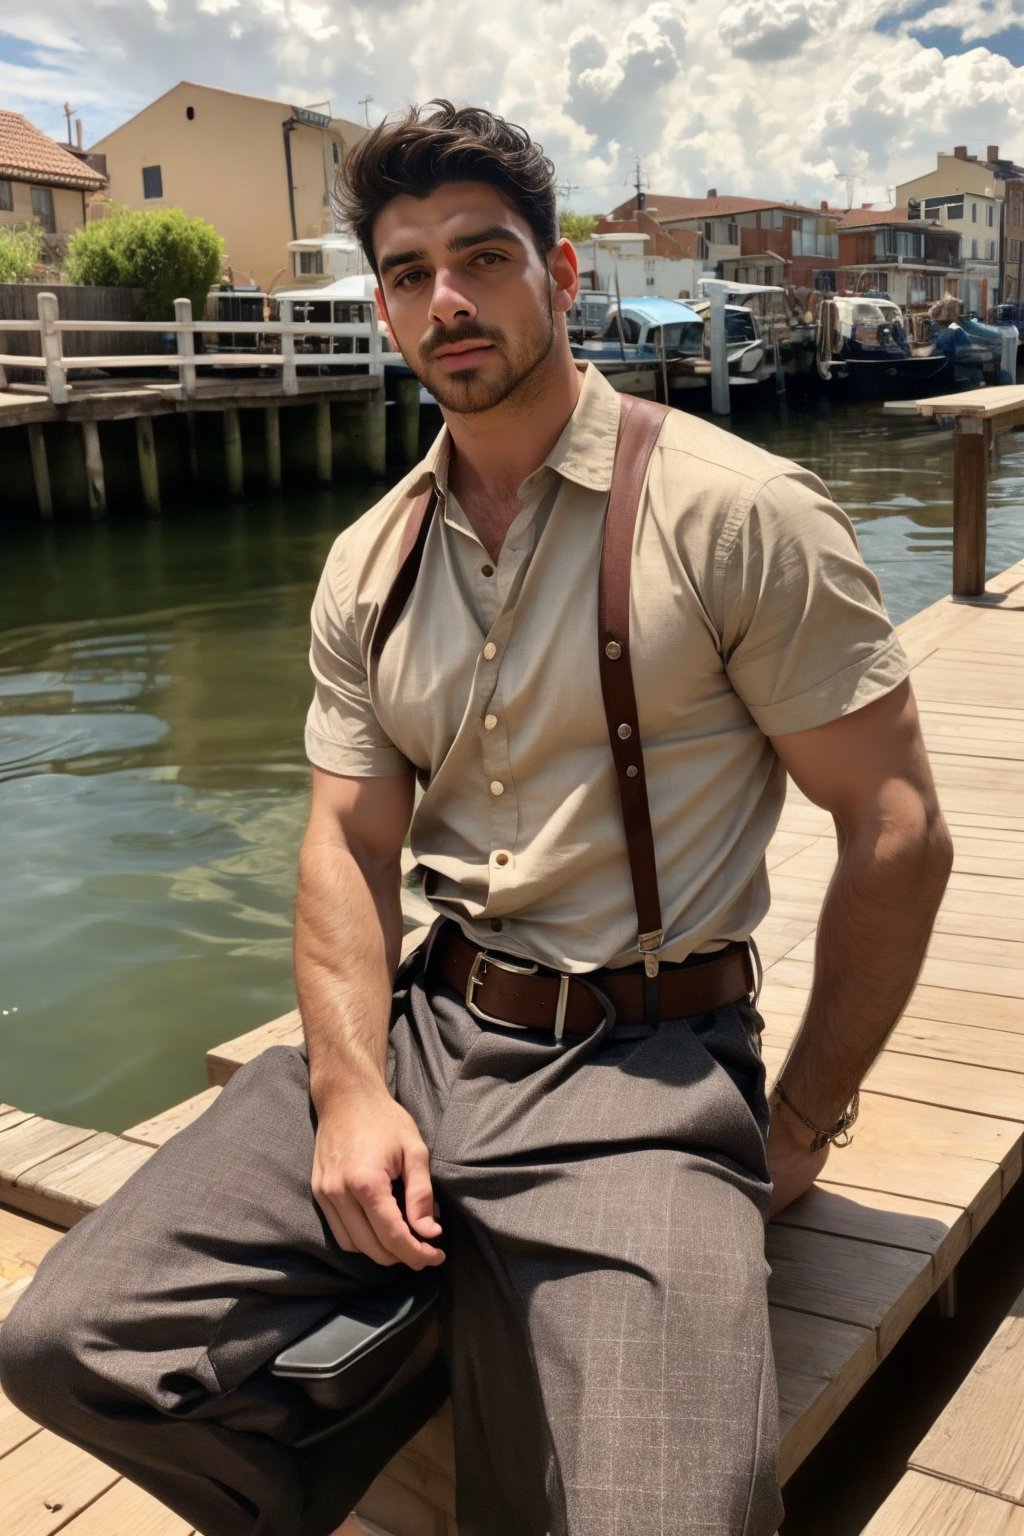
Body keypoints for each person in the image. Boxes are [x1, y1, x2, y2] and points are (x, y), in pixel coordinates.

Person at [0, 101, 953, 1536]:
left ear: (559, 279)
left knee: (672, 1516)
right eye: (405, 272)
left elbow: (897, 827)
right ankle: (416, 1381)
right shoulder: (367, 561)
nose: (444, 299)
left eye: (482, 257)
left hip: (648, 1071)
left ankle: (466, 1344)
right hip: (426, 1035)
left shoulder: (736, 513)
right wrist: (348, 1087)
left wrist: (806, 1118)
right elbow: (345, 846)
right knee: (72, 1342)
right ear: (382, 304)